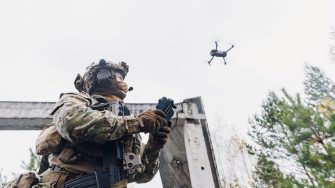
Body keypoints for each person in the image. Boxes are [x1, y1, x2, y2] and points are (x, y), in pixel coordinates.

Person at [6, 59, 171, 188]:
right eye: (118, 76)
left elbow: (142, 176)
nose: (122, 81)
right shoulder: (78, 100)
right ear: (102, 77)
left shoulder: (126, 121)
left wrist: (154, 145)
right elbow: (72, 122)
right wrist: (137, 123)